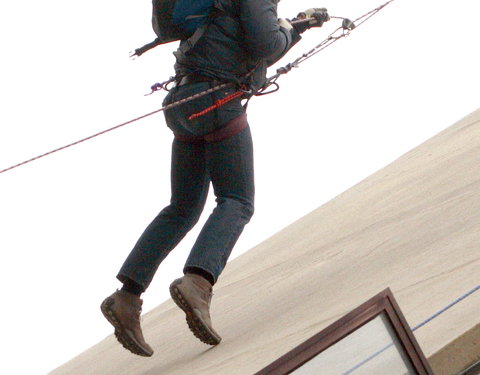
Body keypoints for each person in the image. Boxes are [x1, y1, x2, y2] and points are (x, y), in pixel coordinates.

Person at [101, 0, 329, 357]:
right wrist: (289, 30)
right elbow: (266, 45)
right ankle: (198, 282)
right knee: (237, 201)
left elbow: (248, 44)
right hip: (217, 101)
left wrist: (295, 28)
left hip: (184, 102)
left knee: (183, 208)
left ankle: (126, 297)